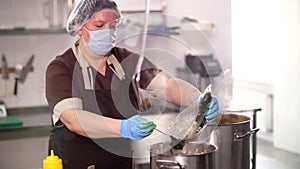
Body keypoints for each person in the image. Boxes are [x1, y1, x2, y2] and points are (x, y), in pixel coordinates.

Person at [45, 0, 219, 168]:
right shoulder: (61, 68)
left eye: (112, 26)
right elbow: (74, 119)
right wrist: (122, 127)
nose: (108, 31)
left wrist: (197, 98)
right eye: (99, 26)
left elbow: (167, 85)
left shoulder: (126, 60)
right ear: (80, 27)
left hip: (121, 164)